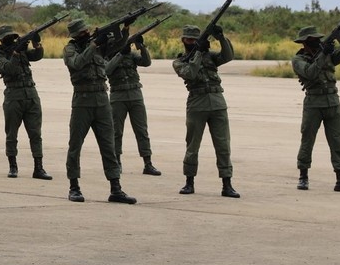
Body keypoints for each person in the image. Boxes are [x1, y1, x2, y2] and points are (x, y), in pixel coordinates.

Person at [62, 19, 136, 204]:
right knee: (75, 145)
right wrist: (94, 44)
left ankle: (116, 188)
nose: (86, 33)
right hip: (82, 101)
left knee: (109, 146)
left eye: (87, 30)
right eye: (83, 32)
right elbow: (77, 63)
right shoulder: (70, 50)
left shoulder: (97, 47)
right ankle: (74, 187)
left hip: (102, 100)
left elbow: (119, 45)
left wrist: (123, 29)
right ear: (76, 35)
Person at [172, 23, 239, 198]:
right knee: (192, 145)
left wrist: (221, 38)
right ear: (183, 40)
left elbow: (228, 56)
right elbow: (191, 73)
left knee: (223, 146)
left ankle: (227, 184)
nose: (191, 42)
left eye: (195, 40)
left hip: (217, 103)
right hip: (197, 104)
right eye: (188, 39)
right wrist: (199, 53)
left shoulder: (210, 56)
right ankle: (189, 182)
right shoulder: (179, 61)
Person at [291, 24, 340, 193]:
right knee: (307, 140)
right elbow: (311, 73)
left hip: (333, 102)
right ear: (305, 42)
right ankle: (303, 176)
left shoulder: (327, 54)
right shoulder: (298, 60)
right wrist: (323, 53)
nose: (318, 42)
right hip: (314, 103)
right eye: (314, 40)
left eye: (318, 39)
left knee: (337, 141)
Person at [0, 24, 52, 180]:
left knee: (35, 133)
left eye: (12, 37)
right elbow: (9, 69)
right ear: (2, 40)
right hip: (13, 95)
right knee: (12, 134)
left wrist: (36, 43)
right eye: (7, 38)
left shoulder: (22, 51)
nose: (11, 39)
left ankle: (38, 167)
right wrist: (17, 52)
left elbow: (37, 55)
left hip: (31, 94)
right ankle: (13, 166)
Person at [107, 25, 162, 177]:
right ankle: (116, 162)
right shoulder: (107, 55)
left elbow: (146, 62)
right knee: (116, 131)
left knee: (142, 130)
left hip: (135, 94)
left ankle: (148, 163)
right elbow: (106, 70)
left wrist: (141, 46)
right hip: (118, 95)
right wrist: (119, 54)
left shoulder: (130, 55)